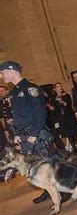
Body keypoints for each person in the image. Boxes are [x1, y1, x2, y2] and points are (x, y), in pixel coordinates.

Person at [0, 61, 71, 203]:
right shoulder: (14, 92)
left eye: (2, 73)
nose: (1, 77)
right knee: (37, 166)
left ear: (12, 70)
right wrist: (18, 136)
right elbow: (19, 117)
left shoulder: (30, 89)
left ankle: (64, 190)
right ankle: (48, 190)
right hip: (24, 136)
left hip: (36, 134)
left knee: (50, 162)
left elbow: (40, 113)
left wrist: (33, 135)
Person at [51, 82, 77, 158]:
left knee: (74, 133)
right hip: (62, 118)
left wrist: (61, 101)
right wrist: (53, 106)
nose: (59, 88)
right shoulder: (53, 99)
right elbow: (56, 109)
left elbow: (69, 105)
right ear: (55, 89)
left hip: (70, 116)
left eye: (60, 86)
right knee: (68, 134)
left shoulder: (66, 95)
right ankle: (74, 148)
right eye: (57, 87)